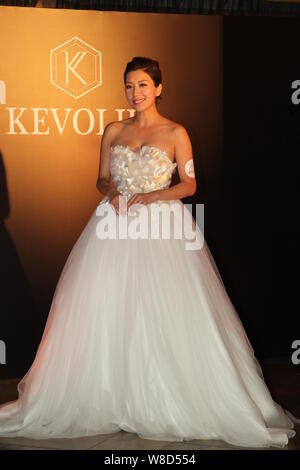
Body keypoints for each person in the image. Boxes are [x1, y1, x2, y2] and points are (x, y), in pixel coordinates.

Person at [0, 57, 298, 448]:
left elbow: (190, 185)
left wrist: (153, 196)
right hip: (114, 224)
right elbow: (101, 177)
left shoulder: (176, 132)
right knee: (104, 308)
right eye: (128, 86)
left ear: (158, 88)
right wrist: (112, 192)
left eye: (142, 85)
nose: (135, 93)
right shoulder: (113, 130)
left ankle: (166, 395)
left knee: (166, 310)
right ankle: (108, 395)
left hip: (162, 226)